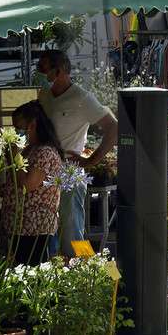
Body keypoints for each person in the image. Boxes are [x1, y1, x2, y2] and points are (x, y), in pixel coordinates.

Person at [34, 49, 117, 255]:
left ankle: (78, 275)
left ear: (58, 71)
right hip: (43, 173)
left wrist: (91, 161)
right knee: (45, 232)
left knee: (71, 233)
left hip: (68, 175)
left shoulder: (82, 98)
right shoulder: (44, 94)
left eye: (42, 70)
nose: (38, 74)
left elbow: (114, 128)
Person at [0, 101, 66, 264]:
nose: (15, 132)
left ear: (33, 125)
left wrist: (13, 157)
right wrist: (8, 189)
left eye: (18, 127)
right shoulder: (30, 149)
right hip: (20, 226)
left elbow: (28, 184)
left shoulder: (45, 152)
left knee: (32, 272)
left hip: (34, 227)